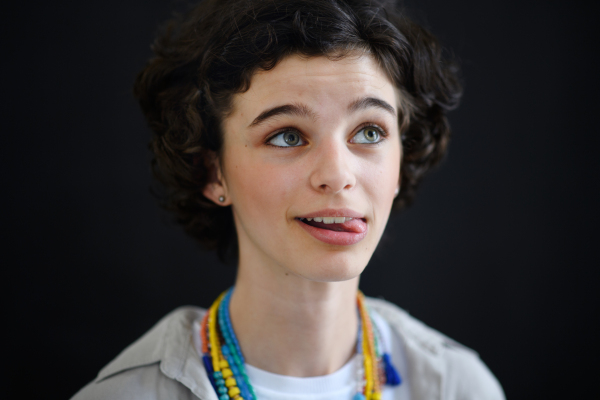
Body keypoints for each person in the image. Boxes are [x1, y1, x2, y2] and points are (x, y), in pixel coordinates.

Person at [72, 0, 504, 399]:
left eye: (369, 132)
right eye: (287, 135)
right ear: (211, 171)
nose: (337, 176)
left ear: (401, 161)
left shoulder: (457, 387)